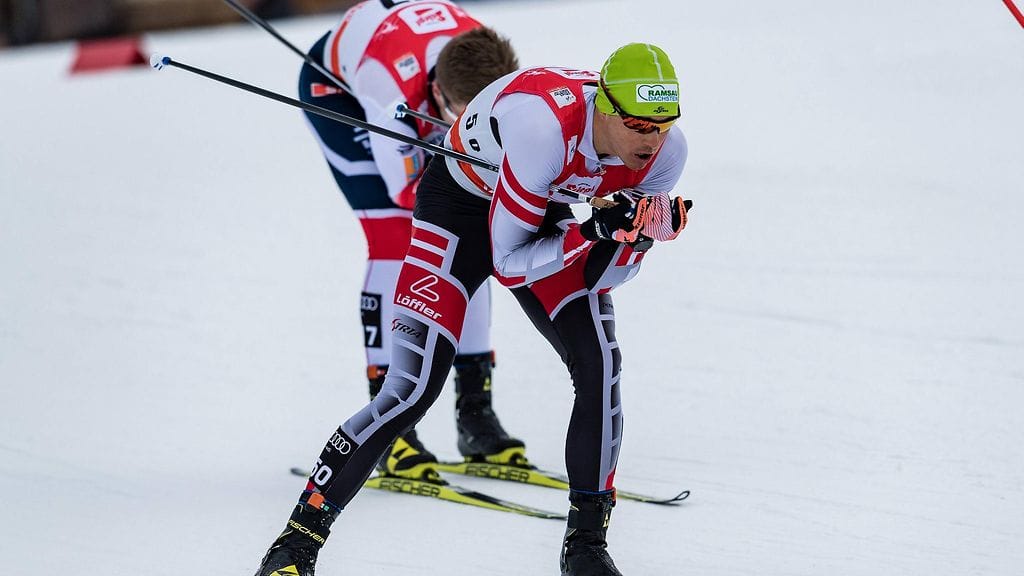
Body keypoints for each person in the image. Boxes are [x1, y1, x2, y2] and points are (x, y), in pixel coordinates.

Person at [257, 42, 690, 576]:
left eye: (664, 124)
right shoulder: (544, 129)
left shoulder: (669, 155)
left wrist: (633, 241)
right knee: (411, 391)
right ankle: (294, 546)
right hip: (459, 210)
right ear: (605, 108)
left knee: (599, 365)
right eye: (639, 126)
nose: (653, 140)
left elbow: (608, 277)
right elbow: (508, 262)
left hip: (538, 205)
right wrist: (592, 230)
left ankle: (586, 550)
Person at [297, 0, 524, 482]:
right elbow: (405, 190)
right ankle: (388, 427)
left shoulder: (503, 78)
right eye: (463, 119)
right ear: (440, 95)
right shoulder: (389, 87)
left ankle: (475, 414)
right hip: (338, 91)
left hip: (404, 64)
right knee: (396, 238)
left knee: (473, 233)